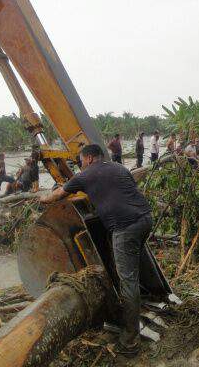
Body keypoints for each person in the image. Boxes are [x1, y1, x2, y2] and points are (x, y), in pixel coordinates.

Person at [39, 144, 152, 356]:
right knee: (128, 269)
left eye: (81, 160)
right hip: (145, 219)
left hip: (125, 228)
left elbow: (56, 197)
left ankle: (130, 342)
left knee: (128, 279)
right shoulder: (119, 167)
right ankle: (130, 308)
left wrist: (41, 197)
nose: (80, 164)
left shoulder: (85, 175)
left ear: (89, 158)